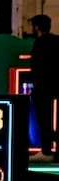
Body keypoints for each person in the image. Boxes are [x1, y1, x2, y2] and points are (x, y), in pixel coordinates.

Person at [29, 14, 58, 161]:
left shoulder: (39, 43)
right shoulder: (57, 40)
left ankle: (46, 151)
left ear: (37, 27)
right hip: (57, 85)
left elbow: (34, 66)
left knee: (43, 119)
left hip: (43, 86)